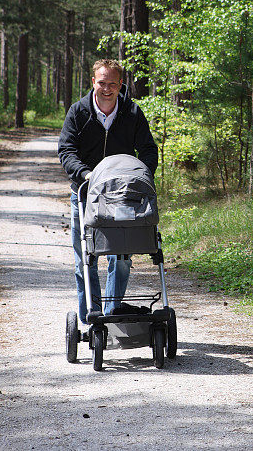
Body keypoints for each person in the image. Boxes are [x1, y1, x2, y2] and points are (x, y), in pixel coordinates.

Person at [58, 59, 158, 324]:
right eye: (102, 82)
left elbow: (148, 149)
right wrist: (85, 175)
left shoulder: (132, 113)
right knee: (85, 260)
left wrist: (140, 177)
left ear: (120, 85)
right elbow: (66, 150)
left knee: (122, 257)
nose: (107, 88)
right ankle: (92, 317)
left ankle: (113, 315)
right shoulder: (78, 112)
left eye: (112, 83)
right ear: (93, 81)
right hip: (84, 194)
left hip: (121, 196)